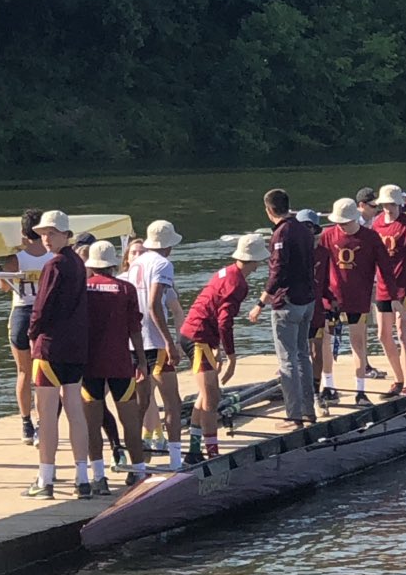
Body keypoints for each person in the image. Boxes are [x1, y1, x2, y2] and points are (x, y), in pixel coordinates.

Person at [180, 234, 268, 463]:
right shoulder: (238, 284)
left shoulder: (227, 271)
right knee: (211, 398)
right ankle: (211, 451)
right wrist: (231, 354)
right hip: (198, 337)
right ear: (254, 260)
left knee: (206, 395)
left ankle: (194, 449)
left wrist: (216, 346)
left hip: (199, 335)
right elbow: (224, 321)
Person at [22, 210, 90, 500]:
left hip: (50, 347)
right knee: (75, 410)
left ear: (65, 234)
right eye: (43, 233)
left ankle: (45, 479)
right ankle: (82, 479)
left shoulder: (55, 265)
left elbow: (42, 306)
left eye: (51, 233)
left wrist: (32, 331)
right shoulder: (78, 263)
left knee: (47, 414)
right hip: (76, 347)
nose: (45, 239)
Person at [320, 198, 404, 406]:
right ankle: (328, 387)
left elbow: (386, 269)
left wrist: (392, 297)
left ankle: (360, 391)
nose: (341, 226)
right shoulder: (328, 235)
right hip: (331, 299)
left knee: (358, 344)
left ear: (355, 218)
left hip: (359, 298)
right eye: (339, 222)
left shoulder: (371, 238)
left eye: (345, 222)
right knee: (325, 342)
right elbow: (318, 265)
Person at [82, 241, 148, 494]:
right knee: (130, 420)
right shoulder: (126, 289)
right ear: (112, 263)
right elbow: (135, 329)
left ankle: (99, 476)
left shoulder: (83, 290)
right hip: (120, 363)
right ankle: (139, 471)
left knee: (92, 422)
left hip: (89, 366)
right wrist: (141, 360)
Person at [248, 189, 315, 429]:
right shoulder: (304, 230)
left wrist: (260, 303)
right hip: (308, 299)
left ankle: (293, 415)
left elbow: (277, 271)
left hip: (287, 302)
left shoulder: (280, 234)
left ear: (269, 210)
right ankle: (309, 410)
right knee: (303, 355)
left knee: (287, 360)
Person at [126, 220, 184, 468]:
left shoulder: (135, 263)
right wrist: (170, 342)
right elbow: (154, 305)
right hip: (155, 342)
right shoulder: (163, 264)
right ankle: (174, 460)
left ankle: (136, 462)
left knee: (140, 403)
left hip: (134, 342)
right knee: (173, 402)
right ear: (168, 245)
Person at [0, 210, 54, 443]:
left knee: (23, 371)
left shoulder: (16, 259)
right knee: (45, 373)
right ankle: (44, 422)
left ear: (23, 232)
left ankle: (25, 422)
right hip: (46, 315)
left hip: (21, 314)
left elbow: (3, 285)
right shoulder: (52, 257)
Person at [372, 184, 406, 397]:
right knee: (382, 335)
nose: (388, 208)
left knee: (403, 333)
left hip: (404, 286)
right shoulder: (376, 225)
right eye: (385, 204)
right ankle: (397, 378)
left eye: (392, 204)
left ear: (399, 204)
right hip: (383, 288)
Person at [294, 209, 333, 412]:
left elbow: (326, 284)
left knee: (317, 352)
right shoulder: (292, 251)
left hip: (316, 310)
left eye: (311, 227)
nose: (308, 231)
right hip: (297, 308)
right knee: (298, 353)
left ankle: (316, 392)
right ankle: (300, 394)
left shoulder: (324, 253)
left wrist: (332, 301)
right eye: (304, 227)